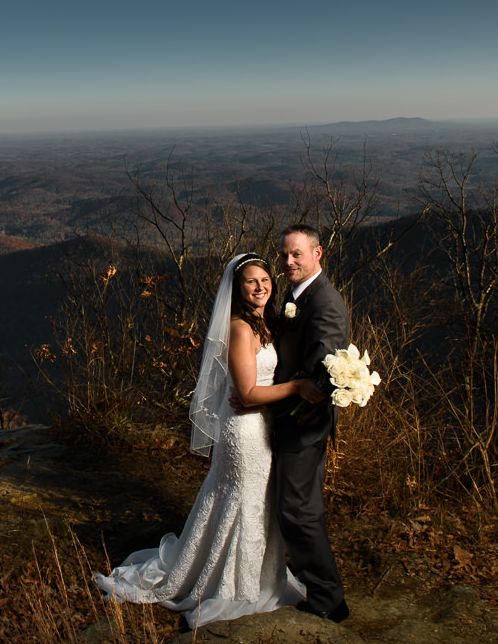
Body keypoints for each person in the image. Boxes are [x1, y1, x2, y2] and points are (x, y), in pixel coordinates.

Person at [93, 252, 321, 629]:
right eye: (251, 281)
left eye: (265, 280)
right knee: (244, 502)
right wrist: (297, 386)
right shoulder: (239, 329)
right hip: (246, 430)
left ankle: (260, 577)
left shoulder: (265, 323)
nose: (261, 286)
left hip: (262, 426)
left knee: (252, 501)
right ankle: (238, 587)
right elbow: (247, 394)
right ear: (238, 287)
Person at [267, 224, 351, 622]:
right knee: (302, 509)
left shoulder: (325, 302)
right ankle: (323, 591)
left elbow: (319, 375)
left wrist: (266, 398)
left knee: (297, 510)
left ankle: (327, 599)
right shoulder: (294, 294)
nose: (288, 262)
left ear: (318, 254)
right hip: (291, 421)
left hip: (305, 425)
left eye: (297, 254)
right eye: (284, 255)